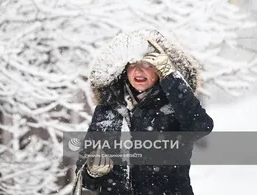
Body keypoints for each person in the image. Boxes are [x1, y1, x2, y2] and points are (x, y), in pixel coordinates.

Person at [75, 29, 213, 195]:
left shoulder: (175, 107)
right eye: (132, 64)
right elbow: (84, 173)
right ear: (123, 69)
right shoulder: (106, 111)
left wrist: (171, 78)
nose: (138, 71)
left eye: (147, 64)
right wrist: (92, 173)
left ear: (159, 68)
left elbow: (201, 126)